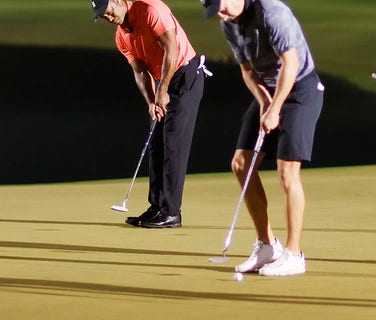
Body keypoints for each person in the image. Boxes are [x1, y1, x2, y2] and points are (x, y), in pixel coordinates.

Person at [200, 0, 324, 276]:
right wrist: (265, 102)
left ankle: (294, 254)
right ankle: (268, 245)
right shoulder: (228, 23)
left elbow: (290, 64)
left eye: (221, 6)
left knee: (287, 170)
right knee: (240, 164)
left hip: (302, 89)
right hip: (269, 90)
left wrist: (276, 108)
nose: (220, 14)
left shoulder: (272, 13)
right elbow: (247, 70)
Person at [91, 0, 209, 228]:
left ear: (117, 1)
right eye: (102, 16)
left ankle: (171, 212)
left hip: (186, 75)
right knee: (156, 143)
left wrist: (163, 90)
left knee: (173, 143)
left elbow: (171, 49)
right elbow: (139, 72)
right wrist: (151, 102)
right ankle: (157, 207)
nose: (107, 17)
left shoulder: (150, 10)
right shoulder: (121, 36)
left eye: (108, 11)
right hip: (161, 77)